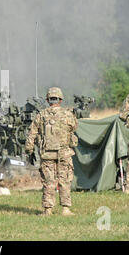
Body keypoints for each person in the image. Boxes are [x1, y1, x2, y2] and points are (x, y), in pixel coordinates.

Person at [25, 87, 78, 216]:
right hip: (64, 153)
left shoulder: (41, 115)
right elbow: (74, 127)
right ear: (60, 100)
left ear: (48, 100)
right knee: (64, 180)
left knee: (49, 182)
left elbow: (31, 134)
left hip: (47, 154)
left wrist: (29, 150)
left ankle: (48, 209)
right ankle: (65, 209)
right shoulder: (68, 114)